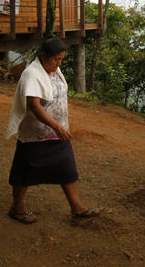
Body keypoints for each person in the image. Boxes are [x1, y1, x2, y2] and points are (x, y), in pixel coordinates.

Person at [6, 36, 99, 224]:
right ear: (43, 56)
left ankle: (76, 207)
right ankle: (17, 208)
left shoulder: (53, 70)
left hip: (57, 132)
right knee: (24, 171)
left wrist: (59, 126)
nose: (59, 64)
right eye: (56, 59)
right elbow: (33, 105)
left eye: (61, 59)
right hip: (36, 134)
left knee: (66, 167)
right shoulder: (32, 73)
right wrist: (55, 126)